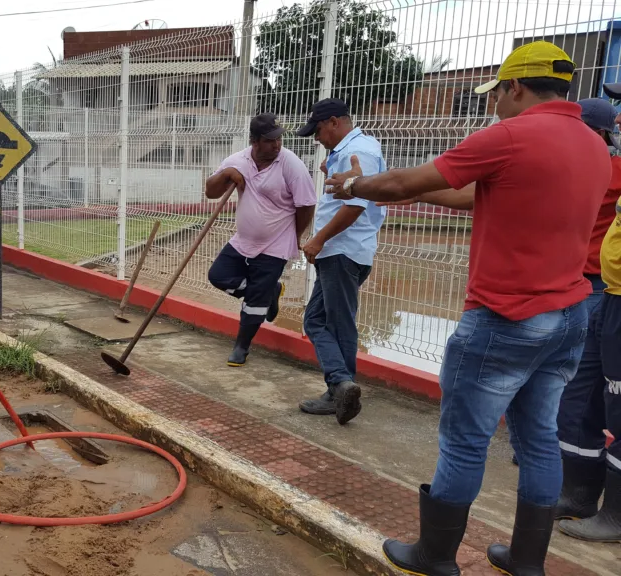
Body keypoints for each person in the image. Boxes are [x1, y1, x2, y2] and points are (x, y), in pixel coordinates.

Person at [324, 42, 611, 575]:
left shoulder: (510, 135)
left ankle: (435, 556)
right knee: (539, 437)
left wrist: (355, 184)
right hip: (569, 315)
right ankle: (526, 561)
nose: (493, 104)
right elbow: (472, 193)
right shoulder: (594, 145)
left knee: (464, 440)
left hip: (505, 318)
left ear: (516, 87)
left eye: (496, 93)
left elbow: (404, 180)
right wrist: (408, 193)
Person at [294, 98, 387, 425]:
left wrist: (318, 239)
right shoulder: (360, 147)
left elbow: (355, 206)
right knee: (317, 319)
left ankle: (340, 389)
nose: (317, 138)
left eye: (318, 131)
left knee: (336, 321)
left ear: (334, 122)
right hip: (349, 251)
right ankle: (340, 383)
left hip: (341, 251)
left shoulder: (353, 153)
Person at [555, 89, 621, 542]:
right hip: (603, 293)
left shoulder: (604, 168)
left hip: (597, 289)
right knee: (580, 393)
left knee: (612, 401)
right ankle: (579, 493)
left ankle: (614, 513)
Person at [205, 113, 316, 367]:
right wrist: (227, 174)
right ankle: (268, 292)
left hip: (276, 244)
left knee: (254, 302)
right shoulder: (238, 160)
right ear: (254, 141)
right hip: (242, 241)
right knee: (218, 276)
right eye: (269, 140)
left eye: (279, 139)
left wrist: (295, 236)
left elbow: (306, 204)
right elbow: (211, 191)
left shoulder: (291, 165)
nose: (277, 145)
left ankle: (241, 347)